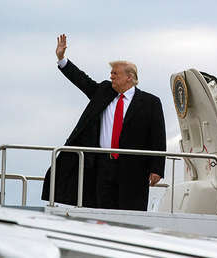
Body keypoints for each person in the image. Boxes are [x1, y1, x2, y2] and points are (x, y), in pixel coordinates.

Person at [41, 34, 166, 211]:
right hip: (101, 166)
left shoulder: (150, 102)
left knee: (130, 214)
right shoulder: (103, 91)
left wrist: (157, 168)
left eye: (115, 73)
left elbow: (158, 137)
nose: (111, 76)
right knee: (101, 212)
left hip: (133, 169)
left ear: (129, 77)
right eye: (111, 73)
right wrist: (62, 59)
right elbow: (82, 80)